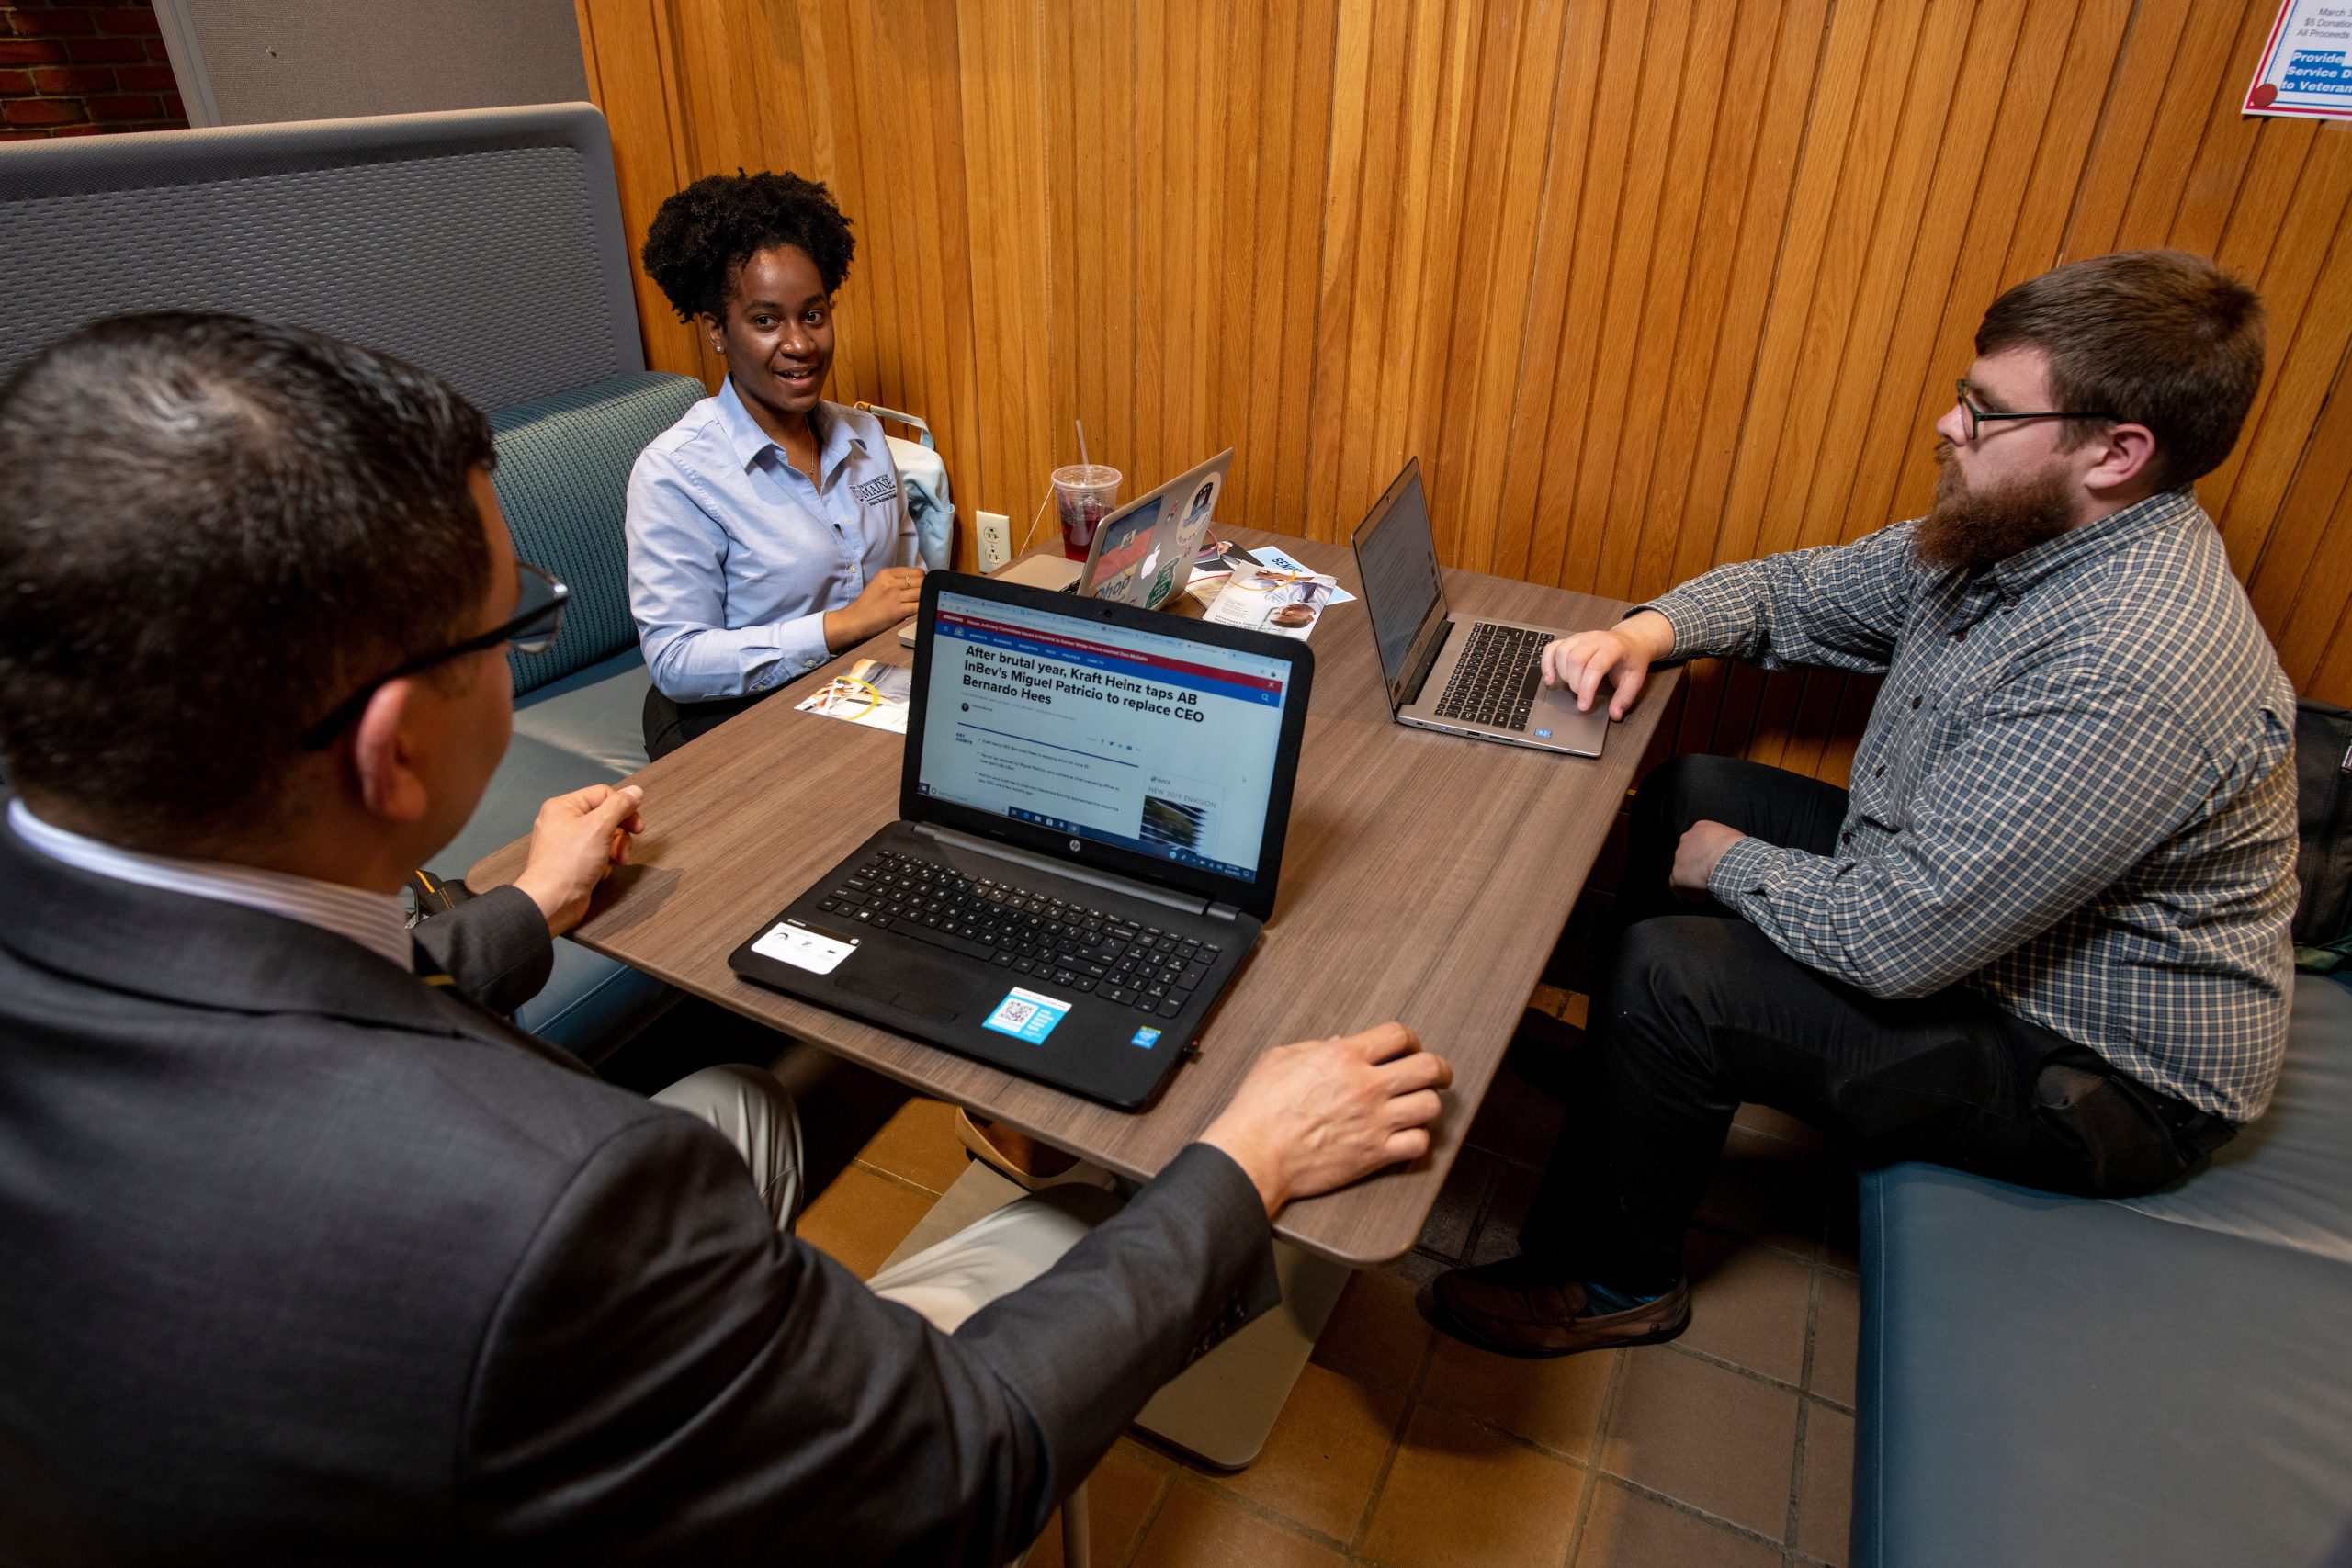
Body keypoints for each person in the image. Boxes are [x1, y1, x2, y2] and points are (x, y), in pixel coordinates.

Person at [0, 312, 1453, 1562]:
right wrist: (1245, 1159)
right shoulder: (566, 1204)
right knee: (1083, 1211)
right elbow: (962, 1466)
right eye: (517, 627)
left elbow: (344, 976)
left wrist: (526, 905)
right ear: (390, 754)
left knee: (735, 1107)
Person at [1423, 250, 2297, 1359]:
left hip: (2092, 1068)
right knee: (1691, 786)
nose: (1945, 424)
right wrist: (1644, 633)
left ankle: (1612, 1280)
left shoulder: (2131, 659)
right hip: (1990, 925)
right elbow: (1795, 592)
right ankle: (1625, 1080)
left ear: (2118, 452)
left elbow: (1900, 941)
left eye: (1984, 413)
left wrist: (1725, 865)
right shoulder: (2020, 534)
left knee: (1670, 971)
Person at [628, 170, 924, 759]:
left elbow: (905, 572)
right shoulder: (675, 473)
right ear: (716, 330)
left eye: (813, 315)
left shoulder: (863, 436)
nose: (799, 343)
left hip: (854, 687)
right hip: (724, 715)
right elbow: (677, 661)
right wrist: (841, 626)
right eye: (767, 321)